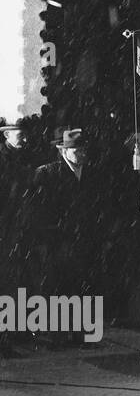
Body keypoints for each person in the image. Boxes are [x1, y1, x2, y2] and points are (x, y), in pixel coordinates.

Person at [30, 129, 98, 348]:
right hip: (58, 241)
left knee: (85, 286)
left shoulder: (93, 173)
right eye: (76, 150)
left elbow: (99, 207)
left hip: (85, 240)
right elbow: (39, 210)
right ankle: (57, 336)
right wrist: (47, 238)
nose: (81, 154)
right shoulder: (47, 174)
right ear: (64, 151)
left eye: (83, 149)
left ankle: (83, 335)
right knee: (59, 288)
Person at [1, 120, 37, 356]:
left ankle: (9, 335)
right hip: (6, 227)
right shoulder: (6, 161)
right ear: (6, 136)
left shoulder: (18, 159)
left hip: (15, 228)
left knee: (13, 281)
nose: (23, 138)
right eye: (19, 134)